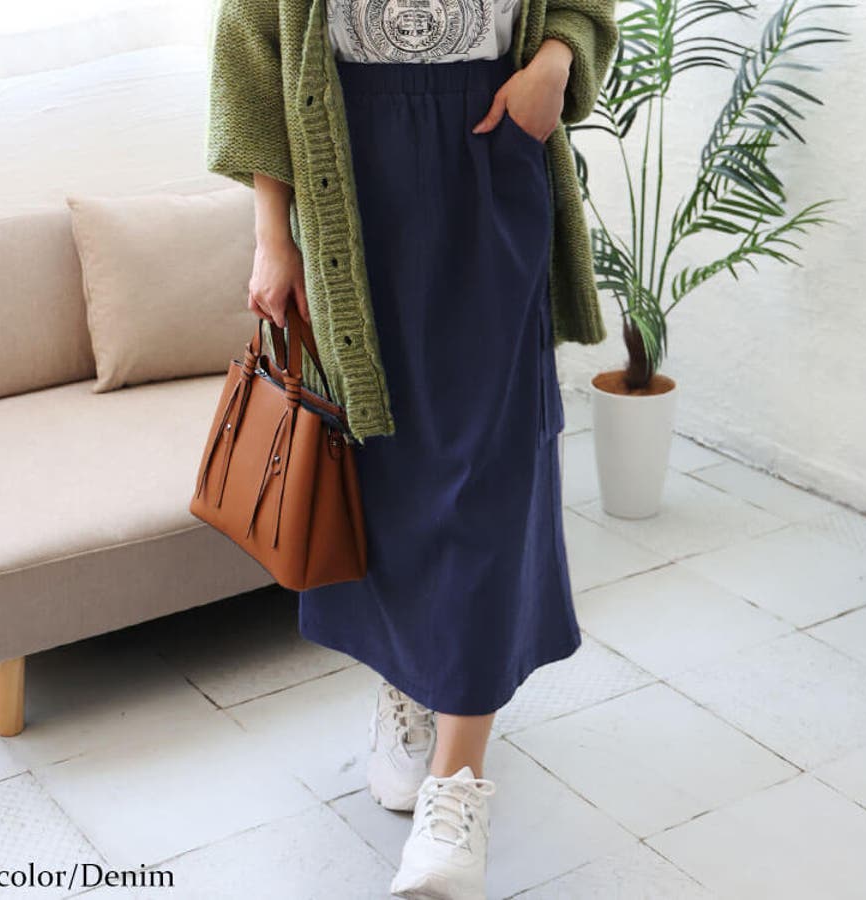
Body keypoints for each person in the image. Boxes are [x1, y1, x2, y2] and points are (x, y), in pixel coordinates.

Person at [205, 0, 618, 896]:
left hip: (489, 149)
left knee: (490, 469)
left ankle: (456, 788)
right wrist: (272, 237)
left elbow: (584, 9)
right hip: (348, 175)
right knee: (380, 467)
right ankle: (409, 678)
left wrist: (554, 62)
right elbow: (251, 47)